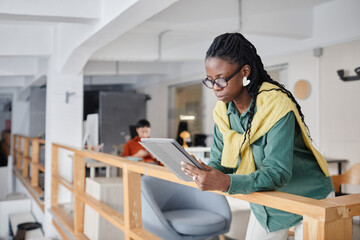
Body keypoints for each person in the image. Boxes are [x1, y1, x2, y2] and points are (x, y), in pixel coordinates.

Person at [181, 33, 334, 240]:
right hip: (266, 201)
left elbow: (277, 172)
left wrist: (225, 182)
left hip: (308, 197)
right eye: (210, 80)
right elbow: (220, 161)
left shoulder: (275, 105)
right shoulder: (222, 113)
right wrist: (206, 172)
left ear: (245, 71)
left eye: (221, 79)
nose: (216, 87)